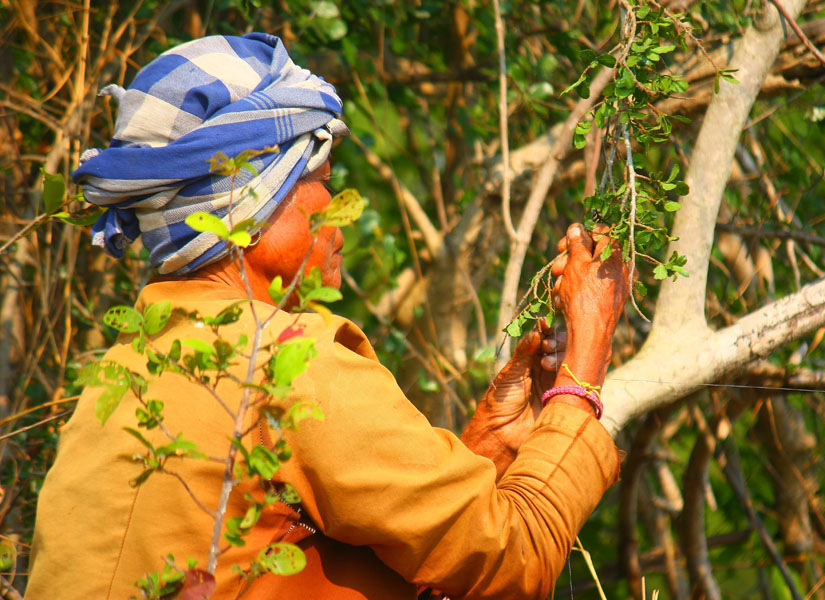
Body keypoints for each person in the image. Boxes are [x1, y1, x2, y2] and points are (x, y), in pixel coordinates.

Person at [27, 33, 627, 599]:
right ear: (247, 205)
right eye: (320, 180)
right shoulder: (290, 360)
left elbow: (362, 538)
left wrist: (490, 445)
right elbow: (515, 556)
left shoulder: (120, 372)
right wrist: (584, 367)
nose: (339, 211)